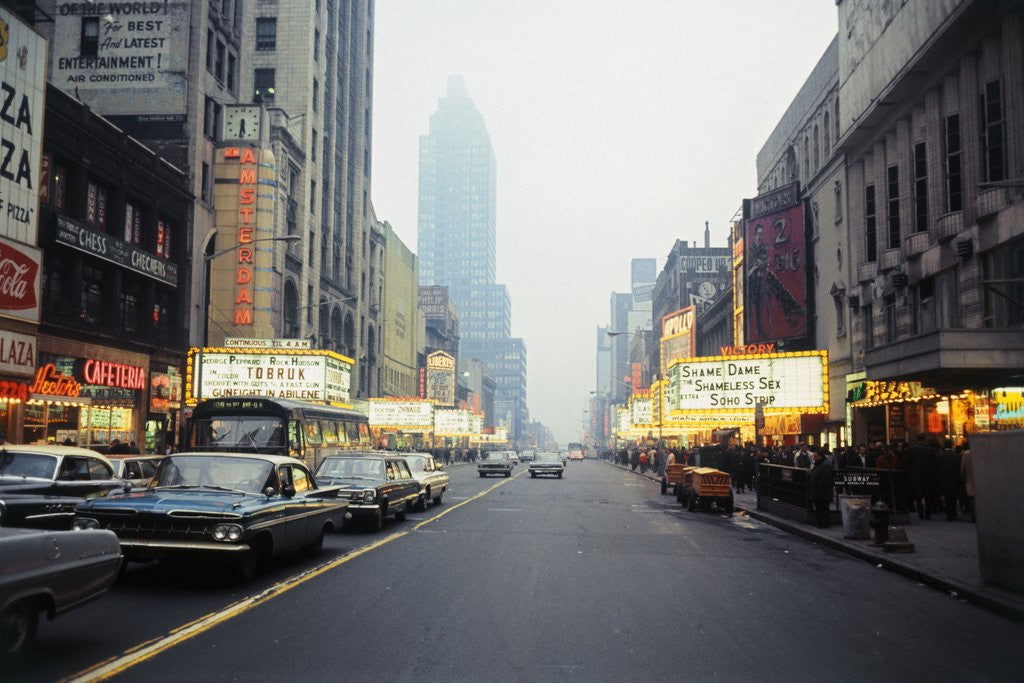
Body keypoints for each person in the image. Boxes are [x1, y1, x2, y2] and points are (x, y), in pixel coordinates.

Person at [807, 449, 834, 528]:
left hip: (822, 492)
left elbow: (825, 480)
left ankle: (824, 523)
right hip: (817, 491)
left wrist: (817, 487)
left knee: (823, 508)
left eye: (815, 456)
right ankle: (819, 522)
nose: (813, 457)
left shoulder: (825, 465)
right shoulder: (818, 464)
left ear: (820, 456)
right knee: (819, 508)